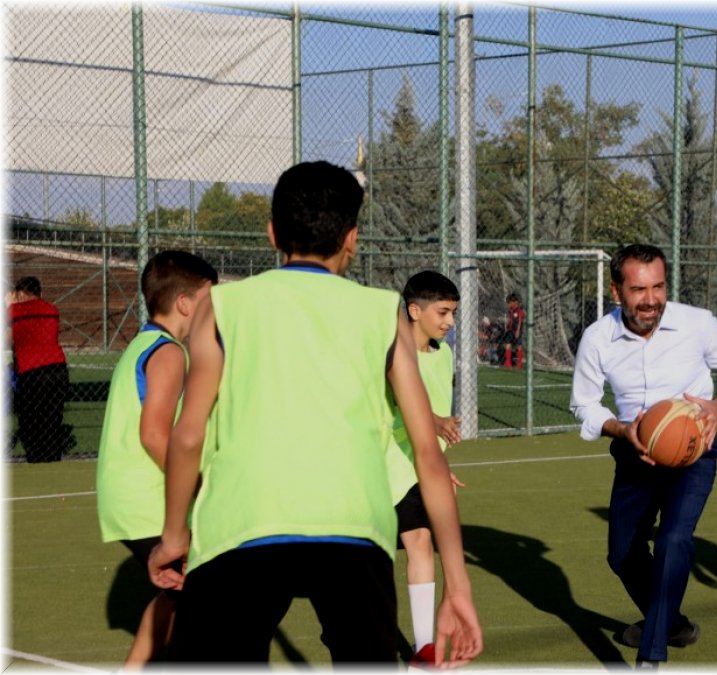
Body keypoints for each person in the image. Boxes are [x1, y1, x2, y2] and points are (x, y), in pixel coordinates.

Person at [146, 161, 482, 666]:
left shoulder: (223, 305)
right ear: (352, 239)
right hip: (354, 528)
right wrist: (457, 585)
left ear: (272, 233)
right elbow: (428, 457)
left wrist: (174, 536)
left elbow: (188, 435)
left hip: (241, 524)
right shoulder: (383, 311)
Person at [569, 243, 717, 668]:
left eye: (658, 287)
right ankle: (671, 623)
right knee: (622, 554)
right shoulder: (598, 338)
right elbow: (584, 404)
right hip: (633, 452)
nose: (651, 299)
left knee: (673, 539)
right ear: (616, 291)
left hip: (694, 451)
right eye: (639, 290)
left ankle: (650, 656)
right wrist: (622, 429)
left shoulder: (697, 323)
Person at [95, 250, 218, 667]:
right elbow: (153, 434)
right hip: (148, 498)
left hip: (127, 497)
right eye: (209, 299)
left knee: (179, 595)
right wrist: (197, 486)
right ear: (184, 303)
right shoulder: (169, 353)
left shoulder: (144, 344)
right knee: (204, 597)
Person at [386, 270, 466, 663]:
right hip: (385, 464)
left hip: (417, 470)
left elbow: (432, 426)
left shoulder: (444, 354)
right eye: (443, 312)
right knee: (374, 556)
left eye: (453, 313)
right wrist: (434, 422)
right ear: (414, 311)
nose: (450, 322)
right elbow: (404, 406)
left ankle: (423, 649)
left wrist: (439, 468)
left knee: (420, 542)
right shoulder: (391, 353)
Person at [7, 276, 73, 462]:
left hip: (32, 372)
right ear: (40, 292)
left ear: (20, 294)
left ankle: (36, 456)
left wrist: (8, 305)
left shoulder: (14, 311)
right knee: (52, 418)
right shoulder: (51, 309)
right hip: (57, 369)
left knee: (29, 419)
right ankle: (52, 456)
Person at [502, 291, 525, 369]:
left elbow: (520, 321)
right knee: (508, 345)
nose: (508, 304)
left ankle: (519, 364)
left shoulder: (519, 310)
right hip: (510, 330)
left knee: (519, 346)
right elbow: (510, 320)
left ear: (515, 302)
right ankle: (508, 363)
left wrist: (518, 331)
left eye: (509, 303)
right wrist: (508, 326)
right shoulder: (511, 310)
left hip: (517, 331)